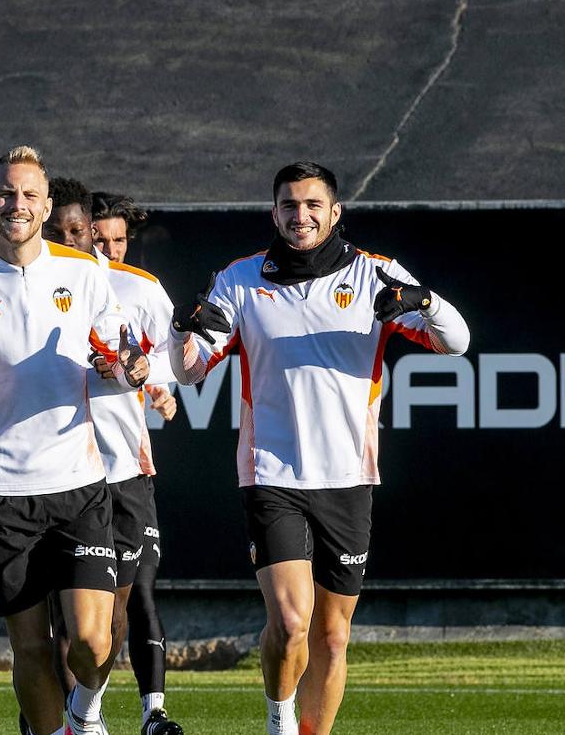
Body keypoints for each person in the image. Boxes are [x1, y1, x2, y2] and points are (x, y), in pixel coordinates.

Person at [168, 162, 470, 735]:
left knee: (332, 636)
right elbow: (187, 373)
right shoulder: (240, 279)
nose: (300, 216)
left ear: (335, 213)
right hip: (272, 476)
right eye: (288, 205)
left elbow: (457, 341)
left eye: (312, 206)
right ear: (273, 212)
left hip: (349, 479)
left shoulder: (375, 274)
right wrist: (184, 332)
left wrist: (423, 301)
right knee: (290, 619)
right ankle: (279, 724)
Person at [0, 146, 150, 735]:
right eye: (7, 194)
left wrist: (131, 368)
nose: (18, 204)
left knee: (94, 639)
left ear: (45, 205)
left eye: (29, 195)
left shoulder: (83, 272)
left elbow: (120, 353)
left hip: (80, 484)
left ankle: (85, 716)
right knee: (32, 646)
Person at [50, 187, 183, 735]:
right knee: (69, 617)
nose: (96, 247)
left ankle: (99, 709)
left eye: (103, 237)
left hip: (123, 469)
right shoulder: (27, 283)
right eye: (82, 235)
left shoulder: (138, 289)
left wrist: (144, 376)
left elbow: (179, 360)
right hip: (55, 470)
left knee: (122, 602)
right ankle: (74, 718)